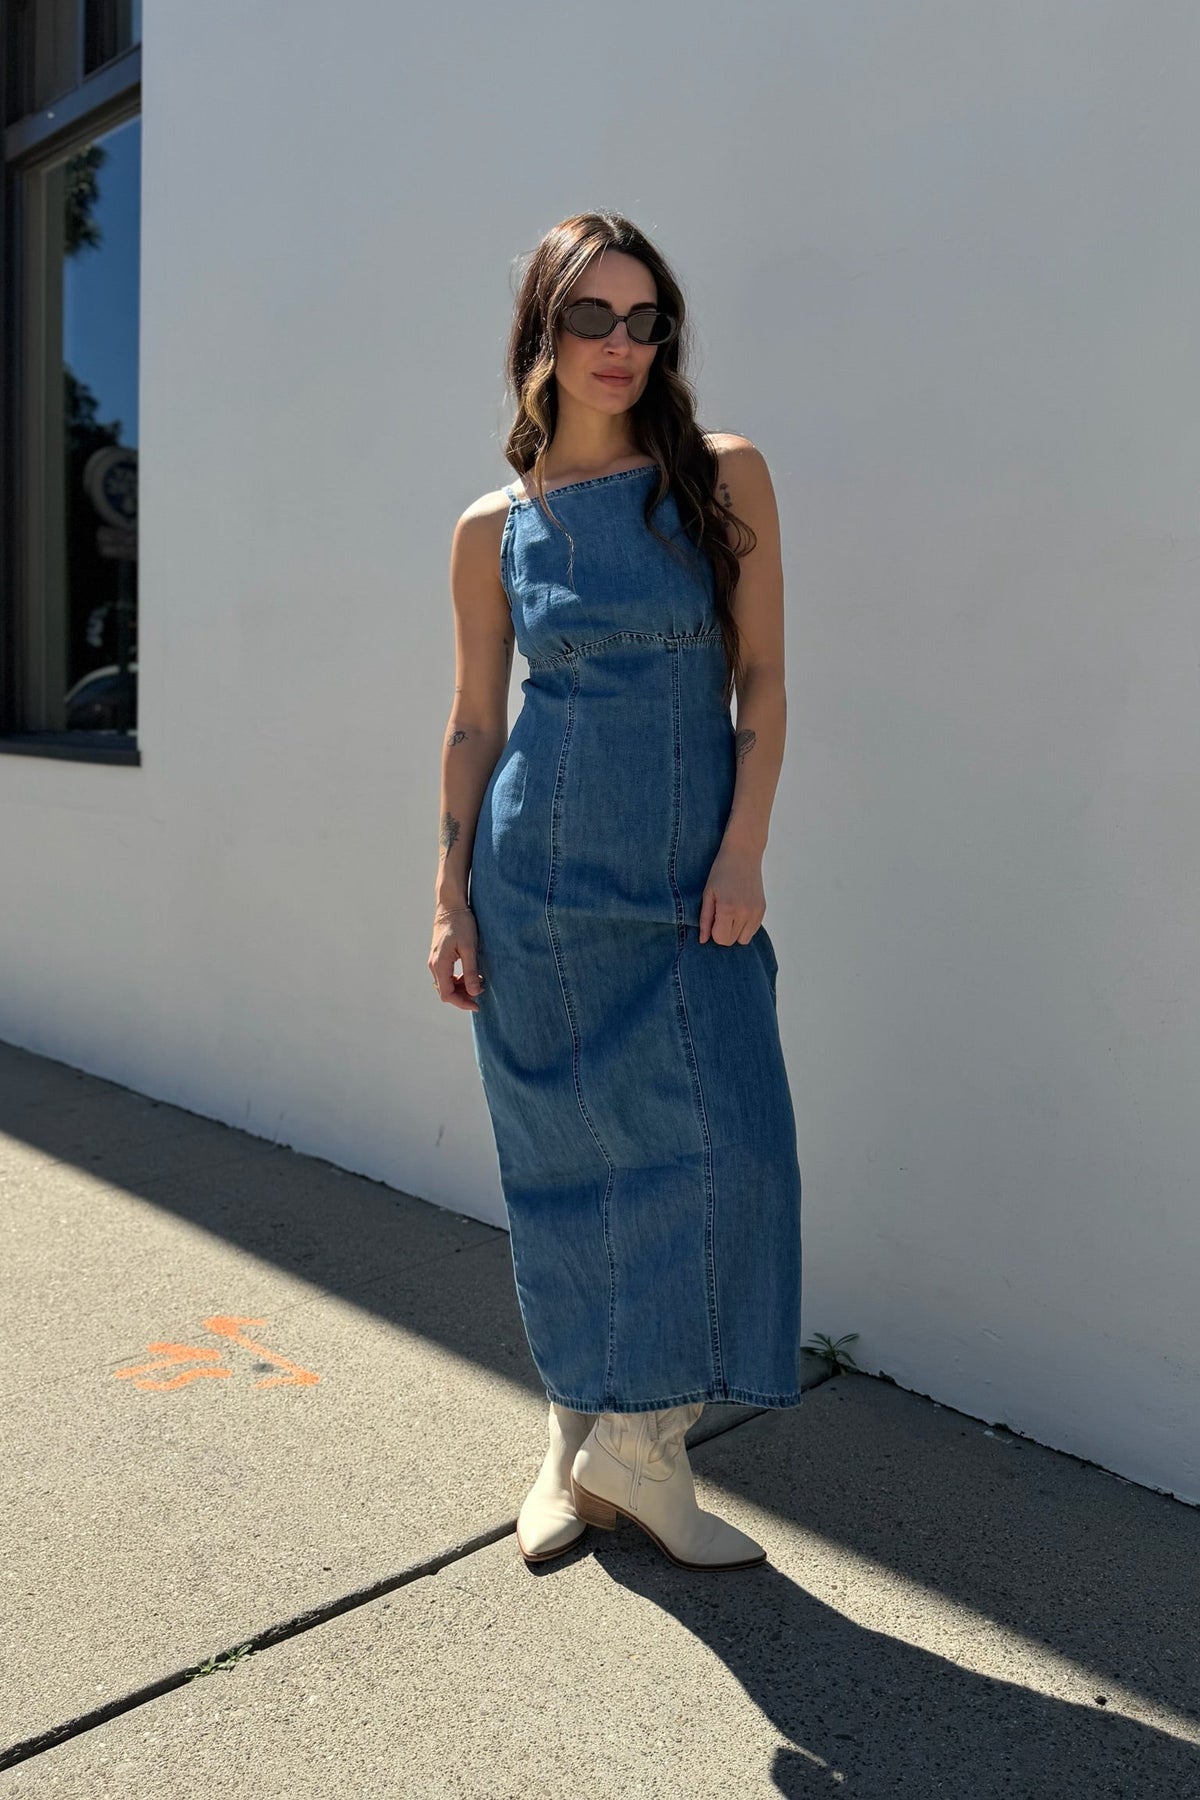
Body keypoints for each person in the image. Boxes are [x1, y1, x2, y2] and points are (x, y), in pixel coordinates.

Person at [429, 211, 803, 1573]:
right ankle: (570, 1441)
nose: (622, 345)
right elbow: (475, 721)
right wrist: (449, 895)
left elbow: (760, 677)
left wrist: (745, 845)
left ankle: (644, 1451)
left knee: (730, 1149)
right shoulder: (494, 527)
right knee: (563, 1166)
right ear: (542, 329)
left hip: (693, 873)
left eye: (647, 321)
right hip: (535, 879)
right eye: (593, 316)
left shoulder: (720, 475)